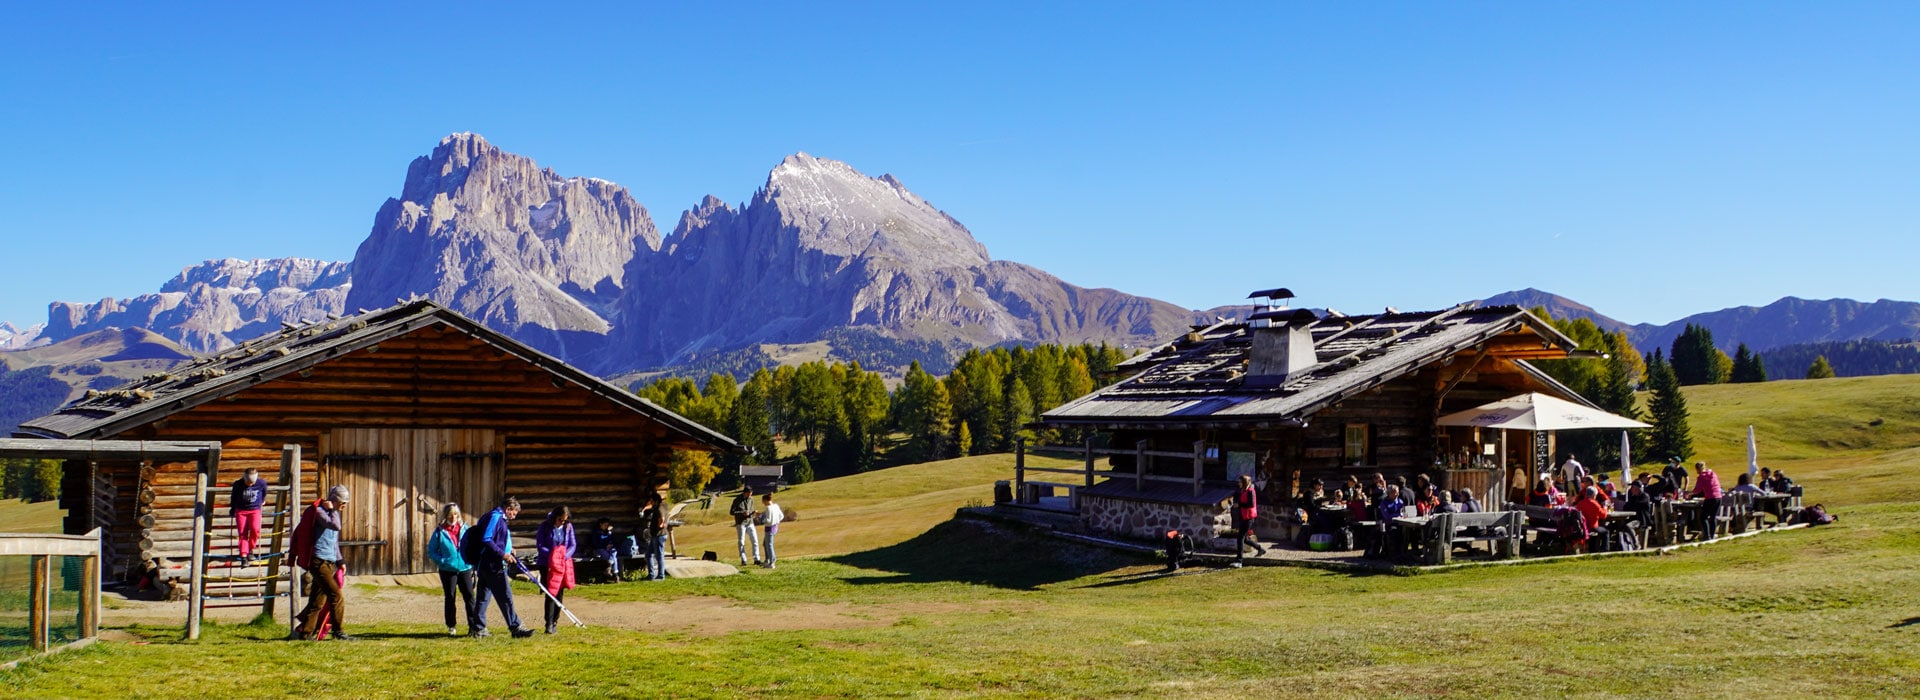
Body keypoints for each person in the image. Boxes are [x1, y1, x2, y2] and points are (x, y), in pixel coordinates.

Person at [470, 495, 535, 638]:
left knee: (483, 597)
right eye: (514, 512)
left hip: (486, 564)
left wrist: (508, 549)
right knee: (506, 597)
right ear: (508, 509)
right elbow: (487, 539)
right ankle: (516, 627)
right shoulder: (495, 517)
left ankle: (477, 629)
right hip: (494, 565)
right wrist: (503, 554)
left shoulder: (494, 516)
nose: (514, 516)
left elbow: (497, 538)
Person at [293, 485, 352, 641]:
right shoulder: (320, 512)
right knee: (336, 595)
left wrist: (340, 561)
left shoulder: (334, 513)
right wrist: (332, 510)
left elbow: (334, 541)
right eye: (343, 503)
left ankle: (305, 633)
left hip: (330, 561)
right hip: (318, 561)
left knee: (317, 601)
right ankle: (338, 631)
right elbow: (335, 526)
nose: (344, 506)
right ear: (335, 500)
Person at [427, 502, 477, 636]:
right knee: (450, 597)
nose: (453, 517)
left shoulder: (465, 529)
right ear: (446, 516)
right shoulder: (440, 532)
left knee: (470, 597)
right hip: (447, 571)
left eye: (455, 514)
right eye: (450, 514)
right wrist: (443, 561)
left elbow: (473, 547)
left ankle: (473, 626)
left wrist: (472, 561)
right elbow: (431, 551)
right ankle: (451, 626)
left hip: (465, 568)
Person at [535, 506, 576, 634]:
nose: (562, 522)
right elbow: (540, 545)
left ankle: (555, 622)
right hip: (547, 563)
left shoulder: (568, 527)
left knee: (559, 593)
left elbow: (572, 544)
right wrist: (553, 556)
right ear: (555, 517)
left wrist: (564, 556)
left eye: (565, 520)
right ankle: (548, 623)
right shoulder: (545, 526)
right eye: (560, 519)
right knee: (550, 592)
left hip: (562, 564)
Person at [229, 467, 270, 563]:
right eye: (248, 482)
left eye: (252, 483)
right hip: (241, 510)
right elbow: (233, 497)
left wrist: (262, 501)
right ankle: (243, 555)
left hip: (255, 510)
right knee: (242, 532)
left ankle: (250, 549)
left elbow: (264, 493)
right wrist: (232, 509)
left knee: (255, 530)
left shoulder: (261, 484)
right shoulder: (238, 484)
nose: (250, 484)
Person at [1232, 474, 1267, 561]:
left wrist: (1239, 505)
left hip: (1249, 518)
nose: (1238, 483)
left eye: (1240, 481)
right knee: (1246, 539)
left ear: (1244, 482)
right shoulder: (1243, 491)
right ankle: (1260, 549)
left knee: (1240, 538)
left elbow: (1250, 504)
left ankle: (1239, 559)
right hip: (1244, 516)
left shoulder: (1251, 491)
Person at [1689, 461, 1724, 539]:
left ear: (1698, 469)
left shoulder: (1701, 476)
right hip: (1718, 497)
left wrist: (1689, 493)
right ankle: (1712, 535)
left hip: (1710, 498)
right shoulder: (1713, 474)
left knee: (1703, 517)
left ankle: (1707, 536)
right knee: (1713, 517)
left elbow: (1697, 490)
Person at [1572, 487, 1610, 553]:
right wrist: (1605, 508)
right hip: (1592, 527)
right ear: (1594, 495)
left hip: (1583, 527)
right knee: (1606, 531)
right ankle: (1605, 549)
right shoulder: (1594, 503)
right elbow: (1603, 515)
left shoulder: (1580, 503)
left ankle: (1594, 549)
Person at [730, 488, 761, 566]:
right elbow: (732, 512)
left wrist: (753, 513)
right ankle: (744, 559)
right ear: (745, 493)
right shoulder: (737, 500)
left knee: (755, 541)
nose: (750, 495)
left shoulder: (751, 499)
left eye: (751, 494)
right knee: (741, 542)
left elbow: (751, 510)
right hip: (741, 523)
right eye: (749, 493)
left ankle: (757, 559)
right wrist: (741, 513)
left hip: (750, 522)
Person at [641, 494, 669, 580]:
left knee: (659, 556)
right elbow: (651, 506)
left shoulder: (659, 508)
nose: (651, 503)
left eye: (652, 501)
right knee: (648, 554)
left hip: (659, 535)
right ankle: (651, 575)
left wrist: (660, 524)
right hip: (656, 535)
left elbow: (661, 520)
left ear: (655, 501)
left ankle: (661, 576)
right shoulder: (663, 505)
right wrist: (644, 508)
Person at [760, 491, 785, 569]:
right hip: (775, 527)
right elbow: (781, 516)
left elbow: (768, 520)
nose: (762, 503)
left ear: (765, 500)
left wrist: (761, 519)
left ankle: (772, 562)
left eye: (763, 501)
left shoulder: (768, 508)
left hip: (769, 528)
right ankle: (767, 560)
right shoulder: (776, 506)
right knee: (765, 544)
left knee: (769, 545)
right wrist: (776, 521)